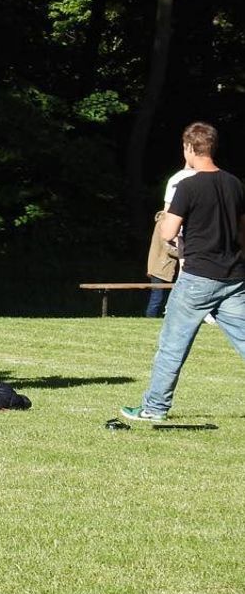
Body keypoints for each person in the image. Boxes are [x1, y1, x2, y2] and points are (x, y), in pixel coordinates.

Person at [123, 122, 245, 423]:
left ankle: (154, 408)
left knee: (172, 346)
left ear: (190, 148)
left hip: (197, 278)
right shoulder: (235, 184)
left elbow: (168, 231)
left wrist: (168, 217)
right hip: (234, 277)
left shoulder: (186, 186)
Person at [145, 163, 194, 317]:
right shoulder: (163, 223)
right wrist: (182, 251)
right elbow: (166, 245)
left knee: (161, 297)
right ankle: (149, 319)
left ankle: (158, 316)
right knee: (156, 298)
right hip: (159, 267)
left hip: (163, 267)